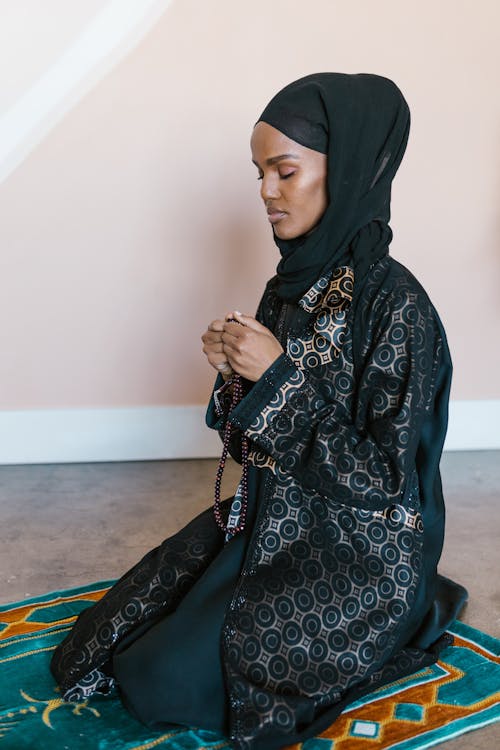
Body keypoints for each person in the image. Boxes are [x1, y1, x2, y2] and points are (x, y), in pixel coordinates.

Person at [50, 72, 468, 750]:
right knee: (109, 640)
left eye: (285, 170)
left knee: (163, 683)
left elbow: (384, 485)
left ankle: (416, 607)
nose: (268, 193)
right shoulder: (289, 288)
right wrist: (233, 379)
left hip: (361, 557)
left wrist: (275, 378)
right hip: (272, 521)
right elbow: (255, 447)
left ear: (353, 166)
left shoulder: (399, 310)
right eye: (260, 174)